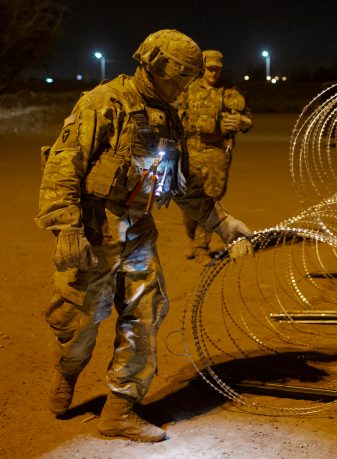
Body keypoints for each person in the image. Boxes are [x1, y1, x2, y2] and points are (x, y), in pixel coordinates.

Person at [35, 29, 253, 442]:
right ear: (152, 66)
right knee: (79, 323)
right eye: (178, 79)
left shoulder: (169, 116)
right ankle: (67, 371)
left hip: (138, 234)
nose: (183, 88)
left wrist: (221, 222)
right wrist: (66, 227)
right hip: (94, 231)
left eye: (189, 80)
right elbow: (63, 165)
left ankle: (119, 409)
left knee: (145, 316)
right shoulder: (104, 102)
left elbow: (184, 183)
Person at [177, 49, 252, 262]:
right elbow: (177, 118)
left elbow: (247, 118)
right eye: (210, 69)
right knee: (189, 200)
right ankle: (191, 238)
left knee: (211, 200)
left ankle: (202, 246)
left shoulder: (228, 93)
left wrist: (242, 123)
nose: (213, 74)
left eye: (217, 69)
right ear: (203, 68)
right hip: (191, 150)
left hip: (217, 152)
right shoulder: (188, 90)